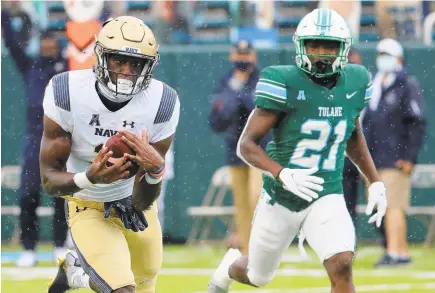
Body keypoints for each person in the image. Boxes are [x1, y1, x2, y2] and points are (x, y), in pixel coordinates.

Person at [207, 8, 387, 293]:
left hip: (326, 193)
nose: (321, 53)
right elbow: (246, 145)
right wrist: (282, 174)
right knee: (258, 275)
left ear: (343, 48)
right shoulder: (283, 81)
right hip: (281, 198)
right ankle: (229, 267)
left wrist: (374, 180)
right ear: (301, 46)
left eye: (329, 45)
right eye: (314, 44)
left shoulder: (356, 80)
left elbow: (352, 132)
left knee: (342, 265)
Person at [43, 16, 180, 293]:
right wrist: (89, 177)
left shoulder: (162, 102)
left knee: (145, 279)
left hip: (136, 204)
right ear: (101, 57)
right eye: (118, 60)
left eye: (137, 63)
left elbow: (144, 200)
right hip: (87, 203)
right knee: (121, 289)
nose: (128, 71)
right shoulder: (66, 91)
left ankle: (76, 275)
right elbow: (48, 180)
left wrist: (154, 172)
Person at [1, 8, 68, 267]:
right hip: (34, 140)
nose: (48, 48)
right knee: (28, 194)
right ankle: (29, 248)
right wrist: (5, 13)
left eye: (52, 45)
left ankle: (60, 246)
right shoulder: (31, 68)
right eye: (44, 45)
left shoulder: (66, 72)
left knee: (60, 195)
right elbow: (11, 41)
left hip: (61, 140)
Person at [364, 38, 426, 267]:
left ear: (399, 59)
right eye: (380, 53)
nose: (382, 58)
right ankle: (397, 250)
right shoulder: (375, 83)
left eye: (387, 54)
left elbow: (417, 121)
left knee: (393, 206)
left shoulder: (407, 84)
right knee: (381, 206)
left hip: (395, 157)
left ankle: (396, 252)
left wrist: (410, 156)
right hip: (374, 156)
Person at [208, 40, 270, 255]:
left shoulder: (262, 80)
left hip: (258, 147)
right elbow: (216, 120)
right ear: (232, 56)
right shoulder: (226, 81)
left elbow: (259, 109)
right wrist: (235, 97)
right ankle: (247, 250)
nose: (243, 58)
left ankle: (263, 246)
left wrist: (238, 96)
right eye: (239, 54)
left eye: (247, 54)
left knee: (256, 197)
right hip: (235, 147)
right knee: (241, 204)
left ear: (254, 56)